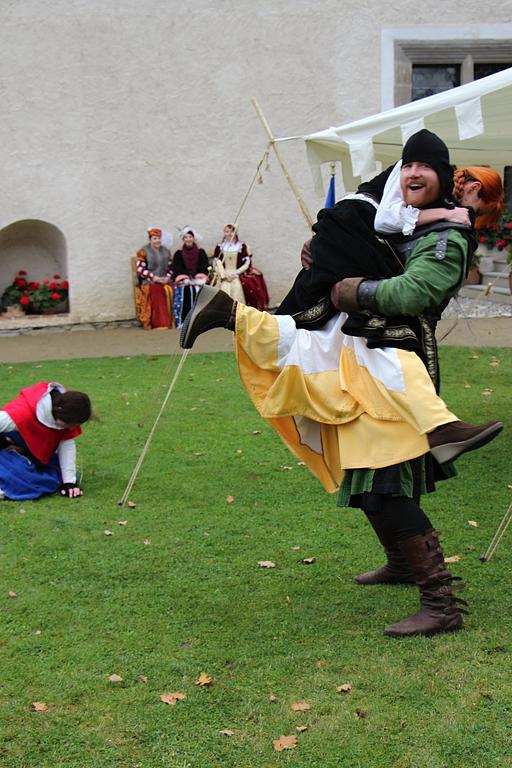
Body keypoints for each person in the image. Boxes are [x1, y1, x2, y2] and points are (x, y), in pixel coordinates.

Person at [178, 130, 504, 638]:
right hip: (358, 360)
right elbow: (366, 244)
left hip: (396, 365)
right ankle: (403, 564)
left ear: (445, 178)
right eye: (407, 165)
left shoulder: (448, 237)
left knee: (385, 483)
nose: (413, 173)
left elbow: (413, 292)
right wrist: (327, 253)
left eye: (425, 167)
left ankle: (441, 603)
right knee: (366, 477)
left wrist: (352, 288)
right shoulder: (393, 218)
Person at [0, 382, 91, 501]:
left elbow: (66, 444)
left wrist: (69, 482)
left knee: (57, 473)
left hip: (26, 450)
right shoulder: (22, 414)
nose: (72, 428)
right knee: (24, 476)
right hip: (6, 449)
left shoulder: (66, 413)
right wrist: (3, 442)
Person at [135, 227, 174, 330]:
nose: (157, 241)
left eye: (158, 238)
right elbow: (140, 269)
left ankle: (174, 321)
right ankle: (160, 323)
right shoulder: (143, 251)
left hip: (164, 280)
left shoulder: (166, 251)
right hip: (150, 281)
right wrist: (154, 278)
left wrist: (167, 277)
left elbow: (171, 268)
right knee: (158, 291)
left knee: (174, 289)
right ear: (150, 240)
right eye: (154, 239)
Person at [172, 228, 209, 328]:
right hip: (185, 281)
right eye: (186, 237)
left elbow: (204, 266)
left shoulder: (201, 252)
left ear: (194, 238)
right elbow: (177, 269)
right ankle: (185, 321)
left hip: (198, 280)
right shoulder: (179, 253)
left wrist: (197, 279)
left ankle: (200, 321)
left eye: (190, 237)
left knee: (197, 290)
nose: (188, 239)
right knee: (187, 291)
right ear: (183, 239)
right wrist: (187, 280)